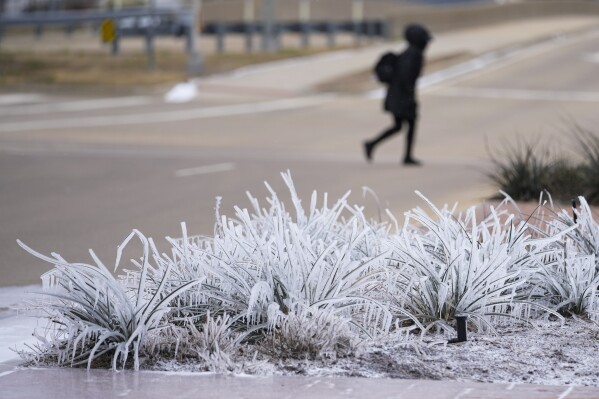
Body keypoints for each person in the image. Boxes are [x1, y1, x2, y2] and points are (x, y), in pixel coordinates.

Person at [364, 24, 432, 166]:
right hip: (401, 96)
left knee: (400, 125)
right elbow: (406, 77)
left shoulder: (411, 53)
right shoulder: (414, 55)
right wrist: (409, 97)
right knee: (405, 124)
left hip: (398, 94)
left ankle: (374, 144)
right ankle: (404, 155)